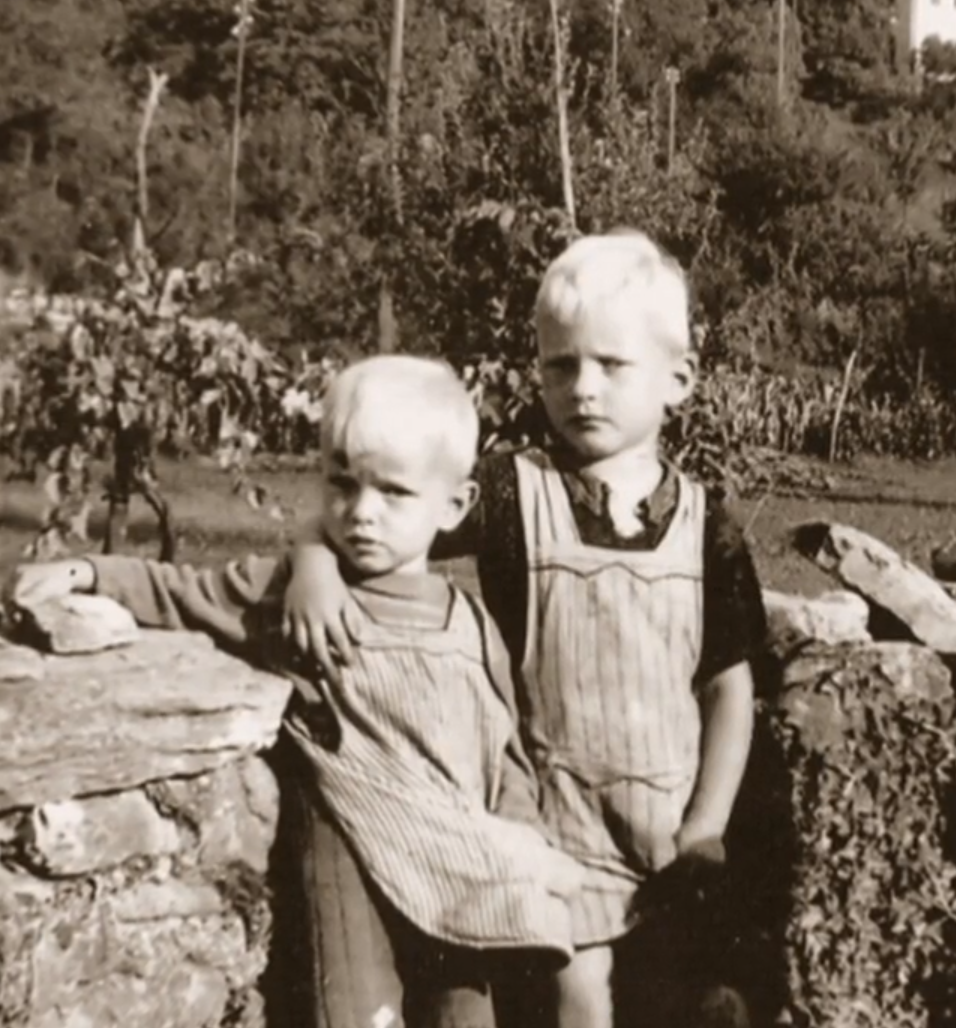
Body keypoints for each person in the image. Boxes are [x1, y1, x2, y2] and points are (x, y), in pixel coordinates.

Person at [282, 230, 770, 1028]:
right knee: (580, 997)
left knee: (692, 997)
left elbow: (729, 685)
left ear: (677, 379)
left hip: (670, 822)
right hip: (551, 816)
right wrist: (311, 563)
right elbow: (373, 522)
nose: (583, 388)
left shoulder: (705, 523)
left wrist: (706, 826)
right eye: (559, 364)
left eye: (612, 366)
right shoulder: (513, 493)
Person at [6, 355, 580, 1028]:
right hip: (351, 861)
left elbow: (500, 747)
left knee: (465, 1017)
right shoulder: (297, 596)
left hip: (455, 870)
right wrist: (86, 569)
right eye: (342, 484)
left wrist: (520, 838)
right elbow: (185, 592)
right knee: (356, 1014)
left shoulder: (471, 624)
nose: (361, 513)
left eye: (393, 493)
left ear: (453, 505)